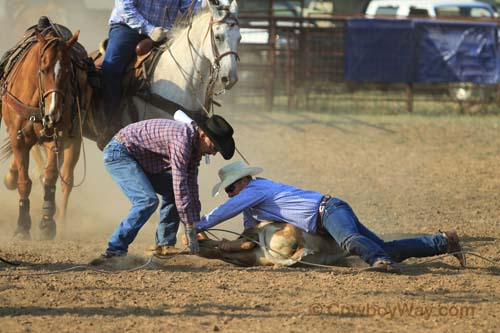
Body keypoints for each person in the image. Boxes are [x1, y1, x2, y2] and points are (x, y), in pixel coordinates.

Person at [194, 161, 466, 272]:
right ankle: (443, 242)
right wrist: (232, 245)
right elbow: (249, 234)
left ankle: (381, 262)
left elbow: (225, 210)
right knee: (384, 245)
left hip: (328, 212)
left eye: (230, 188)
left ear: (242, 182)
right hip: (329, 212)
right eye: (227, 190)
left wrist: (199, 224)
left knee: (350, 241)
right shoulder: (251, 203)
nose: (229, 193)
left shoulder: (255, 189)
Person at [90, 114, 235, 265]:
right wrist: (188, 225)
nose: (213, 153)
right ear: (203, 135)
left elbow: (191, 187)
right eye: (214, 147)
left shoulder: (195, 149)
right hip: (120, 153)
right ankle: (114, 251)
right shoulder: (182, 141)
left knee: (172, 193)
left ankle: (164, 245)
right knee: (147, 201)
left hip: (138, 159)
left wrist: (194, 224)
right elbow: (180, 184)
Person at [102, 0, 202, 123]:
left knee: (190, 65)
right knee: (111, 68)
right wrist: (150, 30)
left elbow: (191, 8)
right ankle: (109, 122)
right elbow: (124, 6)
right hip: (127, 28)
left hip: (163, 33)